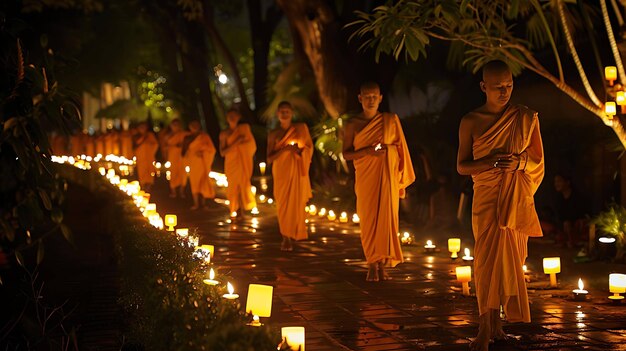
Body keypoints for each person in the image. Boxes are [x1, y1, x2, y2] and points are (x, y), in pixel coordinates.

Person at [456, 60, 544, 351]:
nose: (505, 91)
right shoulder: (471, 121)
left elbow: (538, 162)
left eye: (508, 85)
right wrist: (488, 162)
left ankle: (497, 325)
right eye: (498, 87)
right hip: (486, 198)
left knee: (507, 262)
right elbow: (462, 166)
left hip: (514, 199)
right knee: (485, 263)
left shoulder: (525, 118)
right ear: (484, 87)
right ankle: (484, 326)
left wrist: (519, 162)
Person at [342, 81, 415, 282]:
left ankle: (383, 263)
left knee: (387, 218)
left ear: (381, 98)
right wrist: (367, 151)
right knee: (367, 219)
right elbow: (346, 154)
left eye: (374, 96)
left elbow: (401, 149)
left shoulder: (391, 120)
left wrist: (387, 152)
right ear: (360, 98)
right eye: (367, 96)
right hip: (366, 177)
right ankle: (372, 263)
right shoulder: (353, 124)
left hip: (388, 176)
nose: (371, 100)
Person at [267, 101, 313, 251]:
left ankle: (295, 232)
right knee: (283, 204)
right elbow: (269, 158)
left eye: (287, 111)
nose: (284, 114)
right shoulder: (274, 133)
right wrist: (285, 149)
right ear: (277, 114)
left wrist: (299, 151)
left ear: (292, 113)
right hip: (281, 172)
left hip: (296, 171)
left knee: (297, 202)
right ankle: (285, 237)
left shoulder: (300, 129)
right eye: (282, 111)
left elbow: (308, 149)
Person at [219, 109, 257, 216]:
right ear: (226, 118)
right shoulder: (224, 134)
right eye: (229, 115)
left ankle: (241, 210)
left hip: (242, 161)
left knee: (243, 185)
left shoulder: (244, 129)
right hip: (231, 163)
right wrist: (237, 142)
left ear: (239, 117)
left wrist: (241, 143)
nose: (232, 118)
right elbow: (223, 152)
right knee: (233, 186)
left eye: (234, 115)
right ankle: (234, 208)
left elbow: (252, 146)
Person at [183, 120, 216, 210]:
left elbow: (211, 149)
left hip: (202, 162)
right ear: (189, 126)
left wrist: (203, 152)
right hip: (193, 162)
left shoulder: (204, 137)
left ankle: (203, 203)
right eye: (192, 125)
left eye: (196, 125)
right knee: (195, 183)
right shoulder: (187, 137)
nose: (194, 127)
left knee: (203, 182)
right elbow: (184, 151)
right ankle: (196, 203)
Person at [553, 174, 587, 248]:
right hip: (564, 225)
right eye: (555, 182)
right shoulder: (558, 198)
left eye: (559, 181)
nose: (556, 184)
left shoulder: (577, 197)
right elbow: (559, 215)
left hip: (576, 224)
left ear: (567, 182)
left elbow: (581, 212)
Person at [165, 119, 189, 198]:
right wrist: (174, 147)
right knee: (173, 173)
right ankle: (173, 192)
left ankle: (182, 192)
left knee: (183, 174)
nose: (176, 126)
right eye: (174, 125)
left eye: (177, 124)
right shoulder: (168, 136)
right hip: (173, 157)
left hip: (182, 157)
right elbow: (165, 146)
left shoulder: (185, 134)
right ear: (171, 126)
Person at [133, 122, 159, 191]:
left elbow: (155, 144)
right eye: (141, 127)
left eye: (143, 127)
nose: (142, 129)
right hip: (141, 157)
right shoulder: (136, 136)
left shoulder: (150, 135)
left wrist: (149, 147)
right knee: (142, 172)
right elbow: (135, 145)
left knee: (149, 172)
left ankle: (148, 187)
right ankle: (142, 186)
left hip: (149, 157)